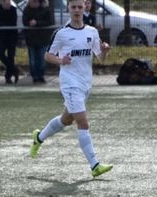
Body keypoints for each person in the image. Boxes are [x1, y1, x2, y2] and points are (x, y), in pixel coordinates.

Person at [29, 0, 113, 179]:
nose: (76, 10)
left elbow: (100, 58)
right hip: (69, 83)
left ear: (85, 8)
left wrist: (105, 51)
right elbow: (47, 55)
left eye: (79, 7)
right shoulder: (61, 33)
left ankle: (39, 137)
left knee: (66, 120)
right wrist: (61, 60)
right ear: (68, 8)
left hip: (85, 84)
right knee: (83, 122)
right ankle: (95, 165)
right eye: (73, 7)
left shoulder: (92, 32)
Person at [22, 0, 54, 83]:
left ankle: (40, 75)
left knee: (42, 60)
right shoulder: (27, 10)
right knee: (32, 61)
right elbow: (24, 22)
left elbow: (49, 21)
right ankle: (35, 76)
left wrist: (37, 23)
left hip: (42, 39)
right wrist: (29, 23)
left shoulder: (45, 9)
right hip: (31, 39)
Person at [0, 0, 19, 84]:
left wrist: (3, 24)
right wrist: (4, 25)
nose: (8, 6)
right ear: (2, 3)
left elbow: (13, 23)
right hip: (2, 37)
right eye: (7, 4)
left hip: (12, 37)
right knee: (0, 54)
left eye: (9, 4)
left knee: (11, 57)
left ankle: (8, 77)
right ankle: (14, 69)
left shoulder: (13, 10)